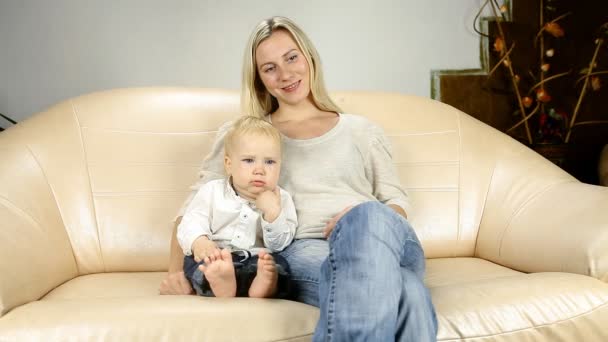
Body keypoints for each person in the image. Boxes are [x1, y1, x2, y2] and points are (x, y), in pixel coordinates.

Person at [161, 16, 438, 341]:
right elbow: (192, 208)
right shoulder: (245, 137)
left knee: (368, 217)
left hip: (384, 238)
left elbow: (396, 202)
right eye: (270, 68)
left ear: (309, 57)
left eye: (291, 58)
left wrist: (364, 221)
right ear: (260, 79)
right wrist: (176, 272)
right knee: (410, 294)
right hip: (305, 247)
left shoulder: (361, 131)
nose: (285, 74)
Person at [177, 116, 297, 298]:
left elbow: (280, 244)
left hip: (255, 259)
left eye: (270, 162)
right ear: (229, 164)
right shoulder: (212, 191)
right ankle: (220, 282)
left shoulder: (281, 199)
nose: (260, 170)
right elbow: (192, 221)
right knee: (199, 264)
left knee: (277, 265)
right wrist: (199, 241)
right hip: (217, 255)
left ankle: (264, 286)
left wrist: (272, 214)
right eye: (249, 160)